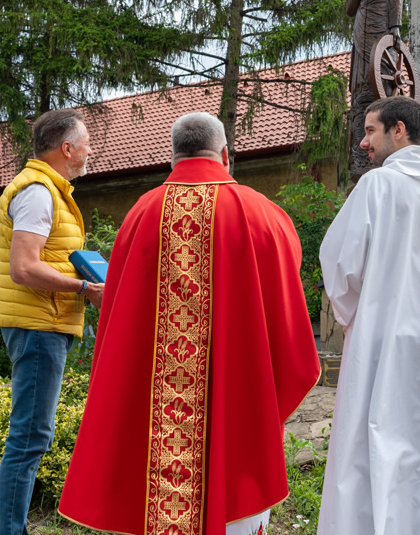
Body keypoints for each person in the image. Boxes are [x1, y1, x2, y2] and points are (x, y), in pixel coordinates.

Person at [59, 112, 320, 535]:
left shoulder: (140, 215)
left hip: (157, 419)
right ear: (225, 155)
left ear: (173, 155)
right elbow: (285, 317)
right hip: (240, 403)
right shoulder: (266, 217)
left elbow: (116, 328)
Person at [309, 96, 420, 535]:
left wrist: (361, 315)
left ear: (399, 130)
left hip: (379, 341)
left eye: (370, 131)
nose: (363, 142)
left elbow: (337, 265)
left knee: (365, 447)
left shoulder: (376, 188)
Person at [0, 108, 99, 535]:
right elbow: (24, 268)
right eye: (86, 142)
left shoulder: (47, 189)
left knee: (31, 436)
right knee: (30, 438)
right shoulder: (38, 191)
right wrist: (84, 288)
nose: (91, 150)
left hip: (44, 323)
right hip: (39, 326)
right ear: (66, 148)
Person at [346, 0, 403, 179]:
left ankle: (382, 153)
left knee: (380, 88)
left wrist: (395, 28)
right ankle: (359, 158)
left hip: (382, 27)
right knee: (359, 96)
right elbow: (348, 8)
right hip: (360, 29)